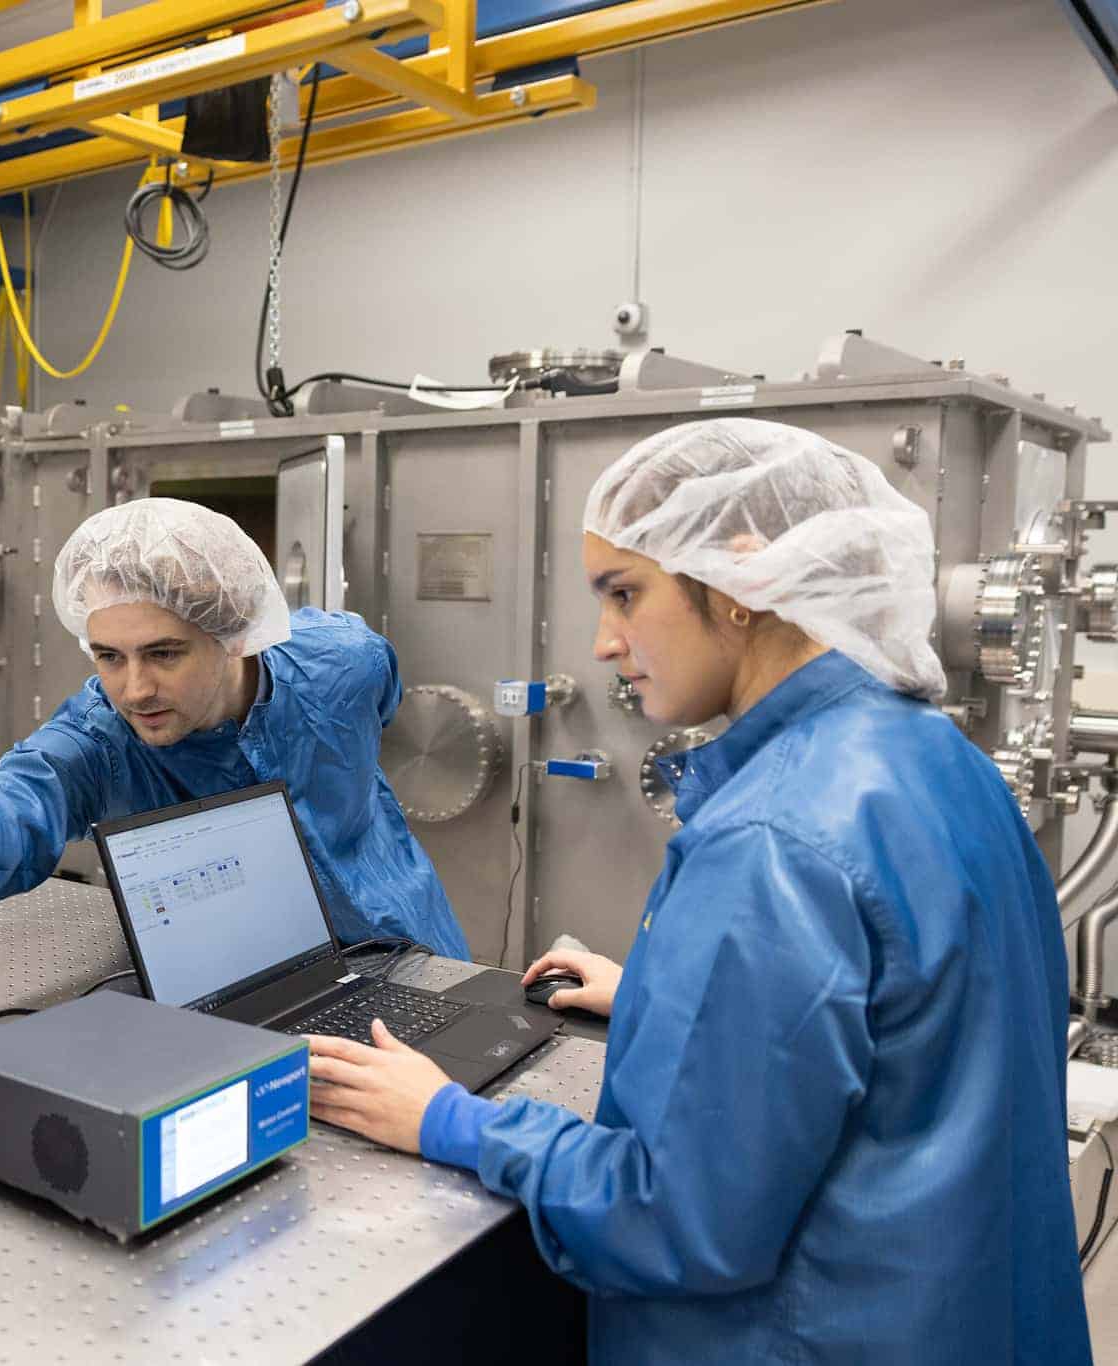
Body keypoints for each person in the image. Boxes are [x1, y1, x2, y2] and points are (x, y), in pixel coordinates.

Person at [305, 419, 1091, 1364]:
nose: (604, 642)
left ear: (740, 584)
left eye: (625, 594)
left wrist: (448, 1119)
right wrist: (664, 997)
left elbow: (676, 1218)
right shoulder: (935, 757)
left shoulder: (770, 839)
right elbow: (915, 1030)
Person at [0, 497, 468, 986]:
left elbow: (379, 704)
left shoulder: (344, 661)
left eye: (164, 654)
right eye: (109, 657)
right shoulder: (101, 739)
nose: (135, 689)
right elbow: (1, 816)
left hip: (417, 956)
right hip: (249, 990)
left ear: (235, 634)